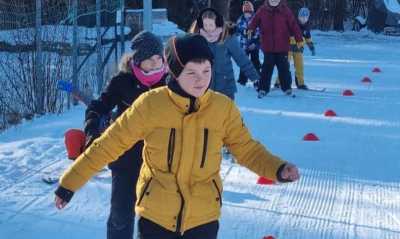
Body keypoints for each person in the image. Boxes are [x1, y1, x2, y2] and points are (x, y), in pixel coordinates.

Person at [54, 33, 300, 239]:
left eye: (206, 71)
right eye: (191, 73)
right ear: (175, 71)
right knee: (120, 216)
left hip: (203, 216)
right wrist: (69, 183)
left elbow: (247, 149)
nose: (201, 80)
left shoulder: (222, 108)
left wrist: (276, 168)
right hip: (156, 216)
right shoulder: (151, 104)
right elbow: (108, 144)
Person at [82, 31, 166, 239]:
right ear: (138, 61)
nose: (157, 64)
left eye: (159, 58)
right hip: (125, 159)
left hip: (160, 162)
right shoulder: (122, 82)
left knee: (156, 219)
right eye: (151, 60)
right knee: (120, 216)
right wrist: (92, 129)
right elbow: (98, 107)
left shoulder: (170, 83)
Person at [189, 7, 260, 100]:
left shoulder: (227, 38)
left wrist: (254, 77)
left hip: (225, 87)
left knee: (227, 113)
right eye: (205, 25)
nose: (208, 28)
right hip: (204, 87)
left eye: (211, 25)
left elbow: (241, 58)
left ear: (217, 23)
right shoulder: (197, 39)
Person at [248, 0, 303, 98]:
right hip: (268, 46)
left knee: (284, 68)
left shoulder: (285, 10)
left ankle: (287, 88)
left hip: (282, 46)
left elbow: (294, 25)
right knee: (266, 68)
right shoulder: (262, 10)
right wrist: (250, 29)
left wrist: (299, 39)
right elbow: (254, 21)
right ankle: (263, 89)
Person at [274, 7, 316, 90]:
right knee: (284, 65)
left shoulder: (306, 27)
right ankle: (278, 83)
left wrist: (311, 47)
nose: (303, 19)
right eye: (301, 17)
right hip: (288, 49)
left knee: (300, 66)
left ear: (307, 18)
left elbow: (308, 38)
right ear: (298, 16)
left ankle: (300, 83)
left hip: (298, 50)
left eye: (305, 17)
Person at [236, 1, 262, 86]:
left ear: (252, 12)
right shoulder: (240, 20)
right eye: (245, 13)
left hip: (254, 46)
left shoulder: (256, 20)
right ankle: (242, 79)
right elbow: (238, 32)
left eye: (249, 13)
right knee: (244, 62)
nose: (247, 15)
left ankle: (257, 79)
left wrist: (255, 43)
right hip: (244, 46)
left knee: (255, 62)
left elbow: (259, 33)